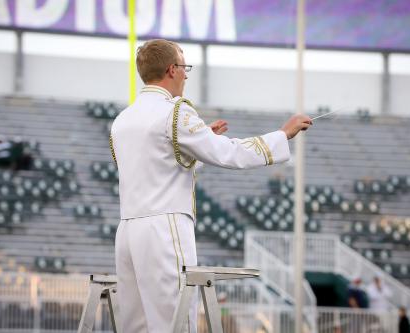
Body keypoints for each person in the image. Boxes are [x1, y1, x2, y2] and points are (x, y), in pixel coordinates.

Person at [110, 39, 312, 333]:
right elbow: (228, 153)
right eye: (183, 67)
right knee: (176, 322)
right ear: (172, 70)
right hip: (164, 227)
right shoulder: (174, 112)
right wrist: (282, 135)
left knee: (136, 325)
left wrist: (200, 140)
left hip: (127, 230)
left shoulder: (123, 119)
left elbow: (156, 165)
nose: (186, 75)